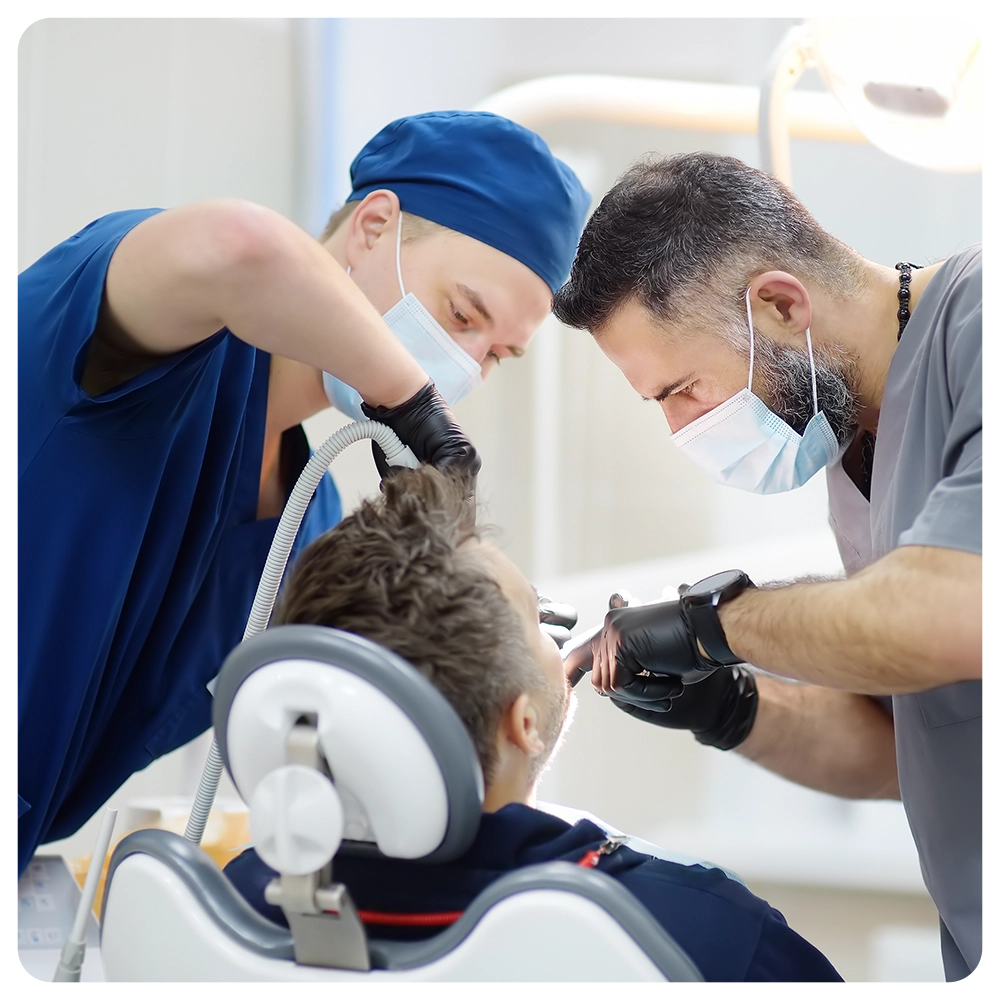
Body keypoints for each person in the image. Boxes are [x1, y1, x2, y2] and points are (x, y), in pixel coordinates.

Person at [16, 110, 590, 879]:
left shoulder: (302, 522)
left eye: (498, 354)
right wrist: (409, 400)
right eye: (461, 314)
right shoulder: (146, 332)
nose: (465, 364)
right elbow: (241, 247)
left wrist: (517, 661)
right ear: (373, 227)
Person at [551, 152, 988, 982]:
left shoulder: (981, 325)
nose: (681, 430)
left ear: (781, 305)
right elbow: (906, 751)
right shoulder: (852, 453)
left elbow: (949, 617)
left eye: (682, 390)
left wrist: (712, 624)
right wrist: (730, 705)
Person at [224, 466, 843, 984]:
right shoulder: (700, 932)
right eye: (533, 616)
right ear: (523, 723)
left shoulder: (244, 901)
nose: (556, 631)